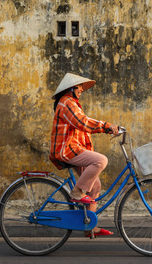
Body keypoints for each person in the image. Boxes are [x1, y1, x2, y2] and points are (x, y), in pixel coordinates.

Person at [49, 72, 119, 238]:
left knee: (94, 186)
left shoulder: (72, 103)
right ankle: (77, 192)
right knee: (101, 160)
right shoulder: (66, 102)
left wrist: (105, 129)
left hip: (74, 148)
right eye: (79, 87)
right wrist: (106, 125)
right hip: (66, 150)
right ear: (71, 88)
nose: (81, 90)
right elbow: (83, 122)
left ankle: (89, 226)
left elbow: (82, 127)